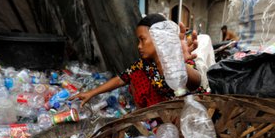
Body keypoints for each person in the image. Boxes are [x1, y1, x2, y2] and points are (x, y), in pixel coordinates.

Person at [72, 14, 202, 109]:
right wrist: (91, 93)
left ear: (159, 37)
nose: (139, 46)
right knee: (135, 77)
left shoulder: (178, 56)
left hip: (191, 112)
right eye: (138, 41)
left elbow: (196, 83)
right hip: (167, 114)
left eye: (142, 39)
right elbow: (120, 79)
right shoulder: (145, 64)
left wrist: (179, 64)